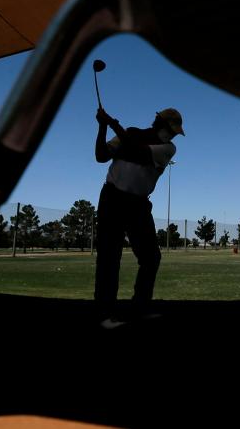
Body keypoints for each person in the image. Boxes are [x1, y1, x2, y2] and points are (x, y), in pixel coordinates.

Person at [94, 106, 184, 328]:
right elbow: (101, 155)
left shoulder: (168, 148)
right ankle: (105, 315)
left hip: (138, 205)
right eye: (171, 129)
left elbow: (137, 152)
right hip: (112, 199)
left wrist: (114, 125)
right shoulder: (131, 133)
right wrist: (103, 126)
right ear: (159, 123)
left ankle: (139, 309)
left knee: (151, 257)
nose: (172, 135)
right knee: (109, 257)